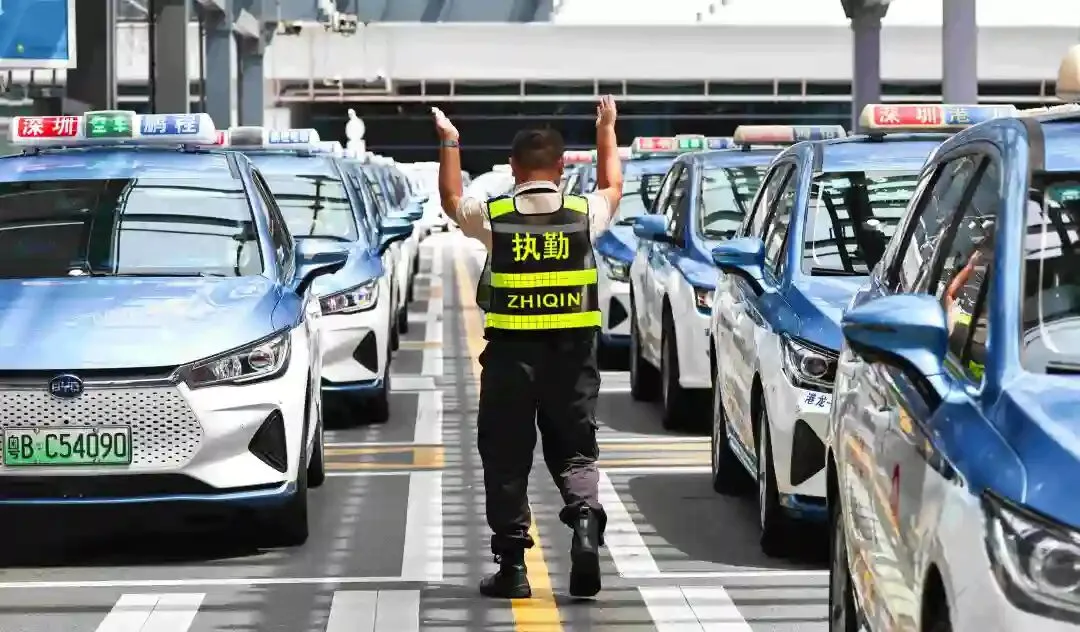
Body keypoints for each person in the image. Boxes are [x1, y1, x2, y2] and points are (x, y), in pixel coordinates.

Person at [431, 96, 623, 599]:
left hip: (511, 360)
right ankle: (585, 520)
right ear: (561, 169)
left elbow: (450, 199)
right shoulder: (583, 214)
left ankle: (514, 568)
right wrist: (605, 128)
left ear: (513, 169)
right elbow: (612, 186)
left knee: (506, 458)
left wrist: (450, 140)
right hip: (573, 359)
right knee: (575, 451)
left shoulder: (495, 217)